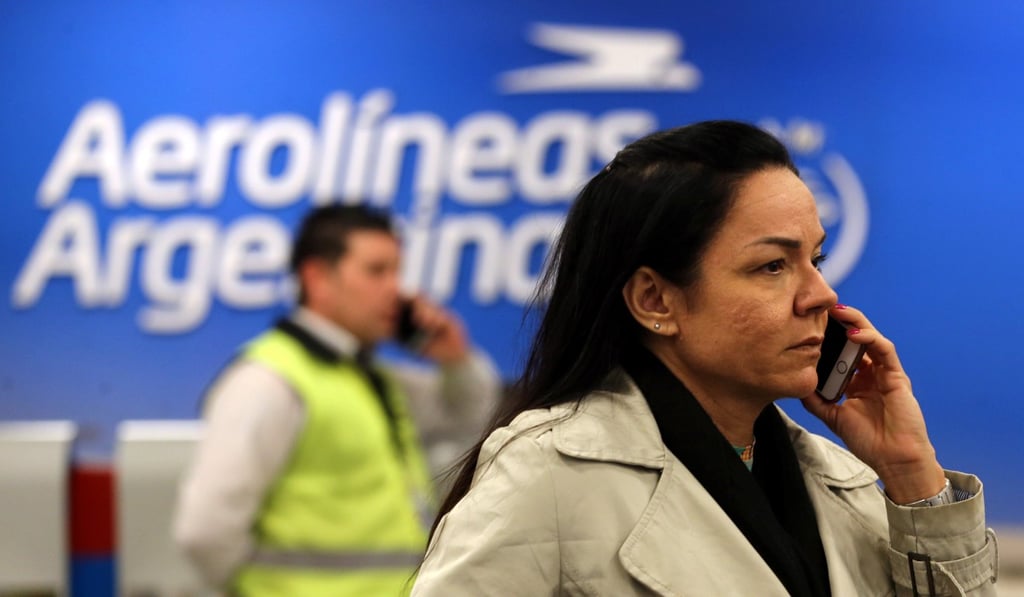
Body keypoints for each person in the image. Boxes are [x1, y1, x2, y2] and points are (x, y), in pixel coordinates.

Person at [412, 121, 998, 596]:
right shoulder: (548, 474)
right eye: (773, 266)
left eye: (814, 260)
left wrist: (911, 476)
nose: (821, 294)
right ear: (655, 300)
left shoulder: (847, 479)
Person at [174, 204, 501, 596]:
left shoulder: (371, 376)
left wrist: (454, 358)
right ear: (317, 278)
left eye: (397, 272)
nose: (396, 290)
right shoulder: (268, 381)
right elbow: (204, 531)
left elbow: (469, 412)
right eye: (376, 271)